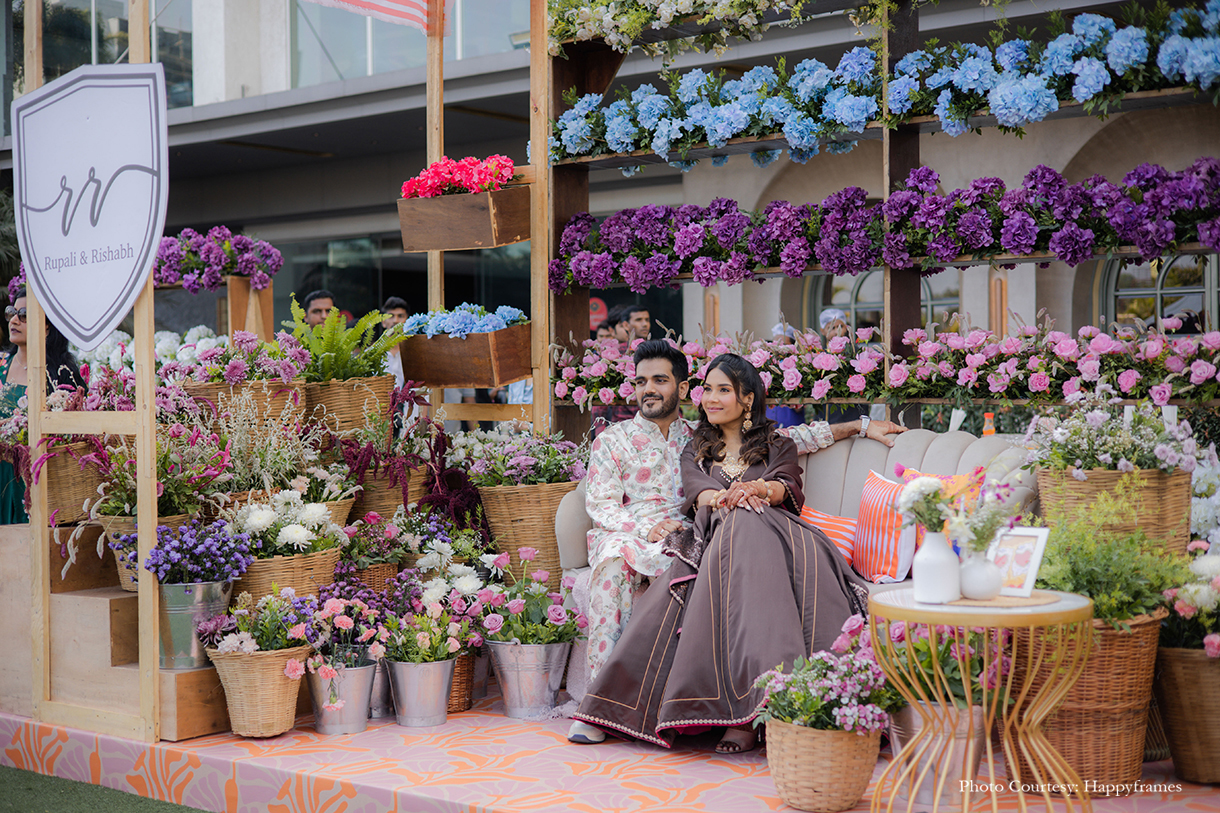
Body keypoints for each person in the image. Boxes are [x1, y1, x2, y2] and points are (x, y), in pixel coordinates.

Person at [568, 340, 904, 744]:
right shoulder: (622, 440)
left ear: (680, 385)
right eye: (641, 381)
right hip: (642, 535)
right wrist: (652, 526)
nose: (649, 389)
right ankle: (599, 706)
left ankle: (756, 708)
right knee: (612, 570)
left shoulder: (693, 436)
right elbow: (602, 502)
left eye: (660, 380)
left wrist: (858, 426)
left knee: (731, 545)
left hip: (697, 533)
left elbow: (793, 442)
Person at [0, 288, 86, 523]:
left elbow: (74, 435)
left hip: (36, 478)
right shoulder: (0, 365)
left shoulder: (60, 375)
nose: (15, 320)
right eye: (12, 313)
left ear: (47, 326)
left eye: (25, 314)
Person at [381, 296, 409, 389]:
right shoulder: (371, 354)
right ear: (383, 322)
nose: (396, 320)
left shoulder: (415, 354)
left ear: (407, 321)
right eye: (391, 316)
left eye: (400, 316)